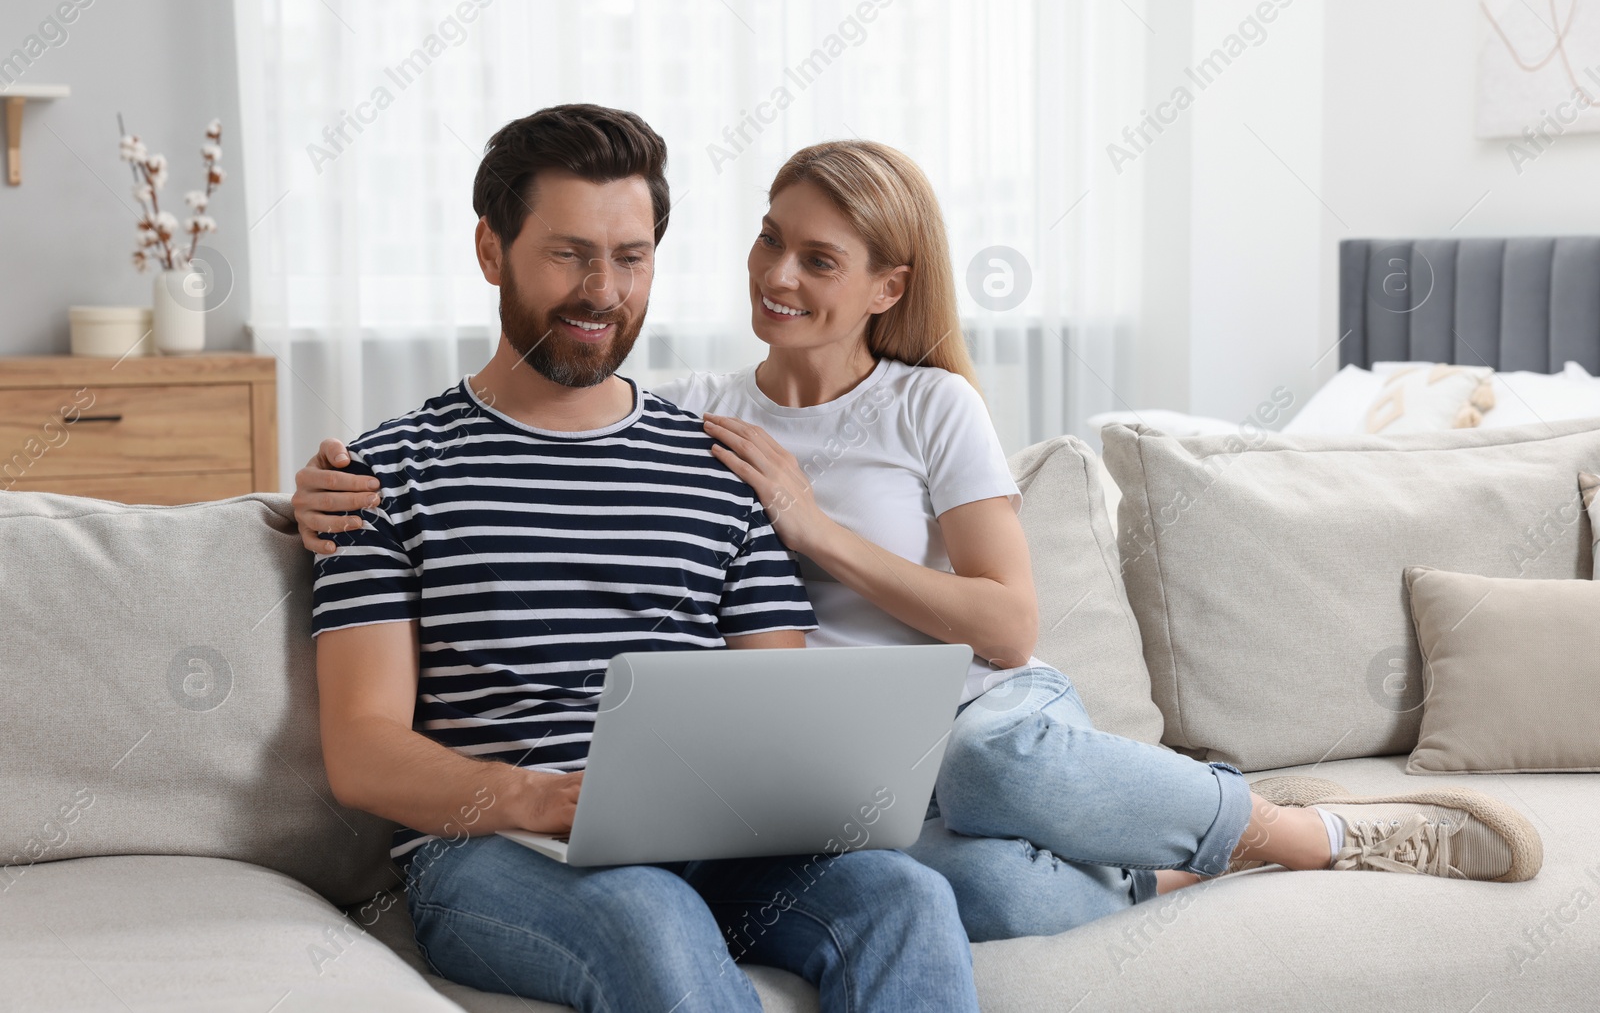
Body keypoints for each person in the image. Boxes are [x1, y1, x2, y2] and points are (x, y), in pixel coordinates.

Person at [297, 129, 1543, 948]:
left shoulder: (926, 402)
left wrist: (815, 528)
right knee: (976, 895)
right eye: (770, 240)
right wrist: (309, 492)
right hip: (832, 765)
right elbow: (561, 430)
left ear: (886, 285)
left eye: (820, 257)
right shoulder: (699, 417)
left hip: (969, 709)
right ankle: (1167, 866)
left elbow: (1008, 622)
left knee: (999, 780)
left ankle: (1290, 825)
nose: (780, 273)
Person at [308, 104, 981, 1012]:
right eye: (567, 253)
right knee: (647, 909)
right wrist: (536, 797)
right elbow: (362, 750)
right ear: (490, 251)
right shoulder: (385, 474)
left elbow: (776, 709)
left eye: (631, 256)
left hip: (711, 843)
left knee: (903, 895)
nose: (603, 289)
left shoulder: (719, 465)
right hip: (492, 857)